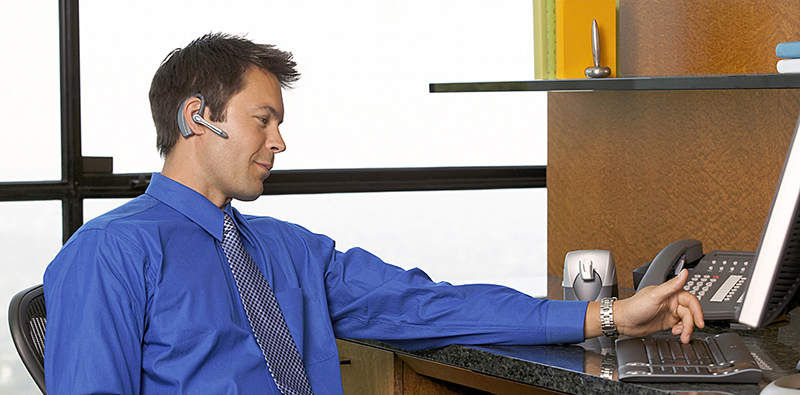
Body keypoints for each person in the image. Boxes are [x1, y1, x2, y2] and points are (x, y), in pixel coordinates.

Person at [43, 33, 704, 395]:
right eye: (263, 119)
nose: (279, 141)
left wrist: (610, 313)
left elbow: (424, 304)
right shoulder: (111, 252)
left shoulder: (289, 250)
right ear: (199, 117)